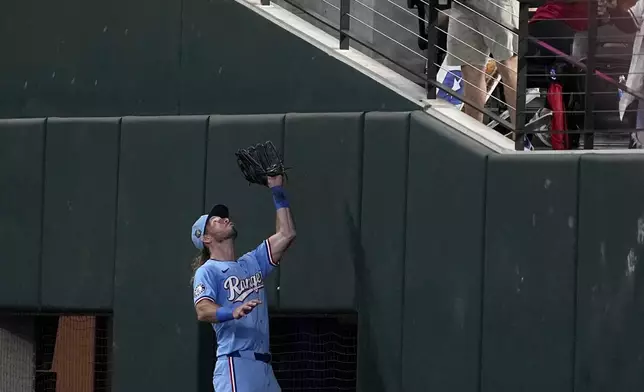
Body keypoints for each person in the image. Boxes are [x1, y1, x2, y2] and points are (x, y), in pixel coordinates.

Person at [190, 174, 296, 392]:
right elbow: (202, 309)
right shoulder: (207, 270)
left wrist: (276, 189)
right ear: (207, 239)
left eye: (223, 217)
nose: (225, 219)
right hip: (235, 363)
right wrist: (231, 311)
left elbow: (287, 234)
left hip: (264, 367)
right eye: (216, 221)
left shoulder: (252, 262)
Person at [444, 0, 519, 126]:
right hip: (462, 4)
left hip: (496, 4)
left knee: (507, 66)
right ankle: (472, 135)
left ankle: (521, 139)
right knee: (470, 69)